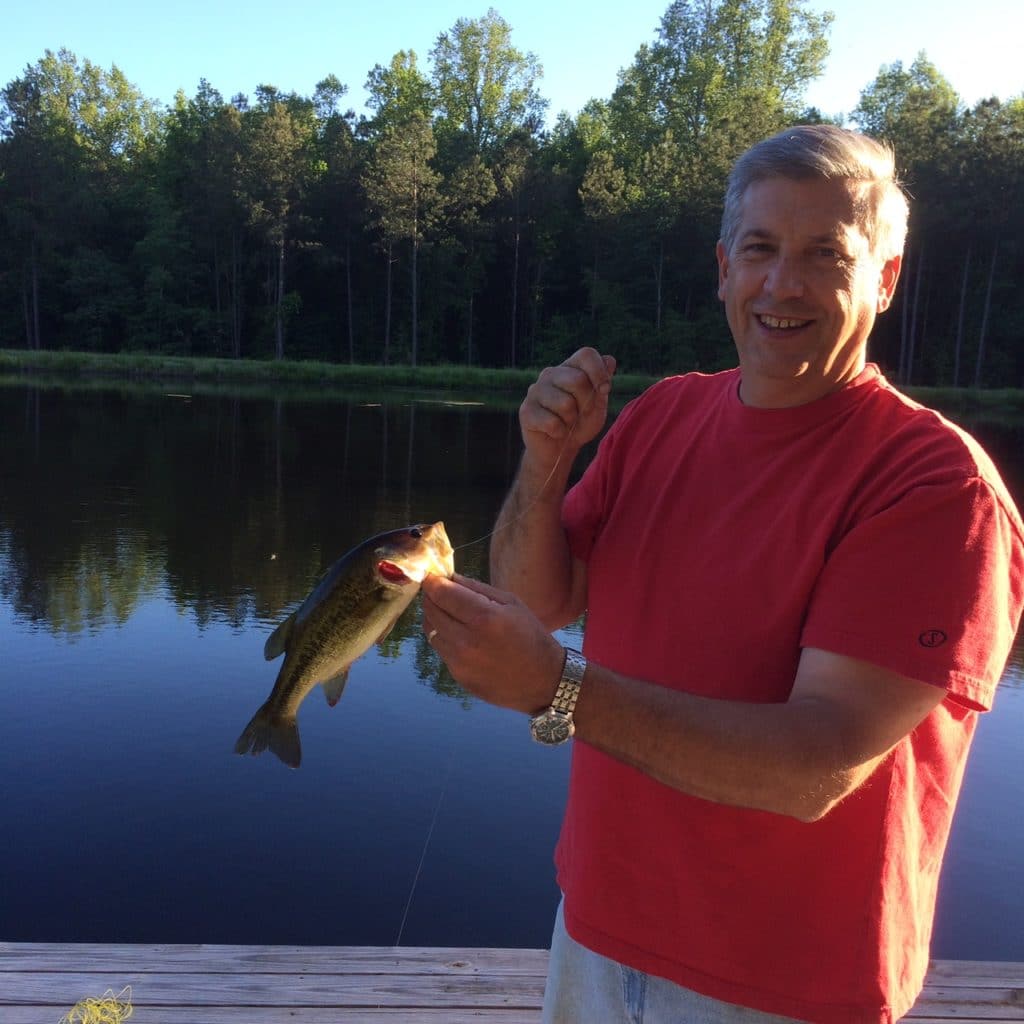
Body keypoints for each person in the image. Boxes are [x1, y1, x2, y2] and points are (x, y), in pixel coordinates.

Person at [420, 124, 1024, 1024]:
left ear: (886, 279)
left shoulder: (935, 486)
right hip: (594, 931)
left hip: (785, 986)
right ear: (722, 267)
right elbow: (539, 599)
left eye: (827, 253)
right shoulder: (665, 413)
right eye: (762, 249)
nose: (784, 284)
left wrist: (557, 689)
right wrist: (545, 463)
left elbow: (815, 767)